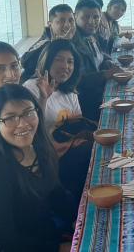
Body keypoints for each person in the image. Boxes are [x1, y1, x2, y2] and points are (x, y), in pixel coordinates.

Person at [0, 84, 75, 252]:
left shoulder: (38, 146)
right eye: (10, 118)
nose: (23, 124)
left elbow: (55, 192)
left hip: (46, 234)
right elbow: (5, 239)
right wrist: (60, 248)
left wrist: (81, 216)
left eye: (28, 113)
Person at [23, 39, 91, 203]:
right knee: (90, 155)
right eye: (58, 59)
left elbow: (77, 124)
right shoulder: (32, 87)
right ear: (47, 59)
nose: (65, 66)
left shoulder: (69, 90)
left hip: (69, 147)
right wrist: (43, 99)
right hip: (47, 157)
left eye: (70, 62)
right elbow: (30, 130)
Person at [73, 0, 118, 120]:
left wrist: (107, 61)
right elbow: (77, 82)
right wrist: (104, 74)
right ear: (75, 16)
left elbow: (98, 57)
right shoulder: (72, 44)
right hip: (88, 103)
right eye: (86, 17)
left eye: (96, 17)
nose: (92, 21)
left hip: (100, 91)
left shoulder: (91, 35)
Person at [21, 4, 76, 83]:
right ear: (50, 24)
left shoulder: (71, 42)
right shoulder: (45, 43)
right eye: (61, 21)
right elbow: (24, 61)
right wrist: (56, 46)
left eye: (71, 21)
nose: (68, 25)